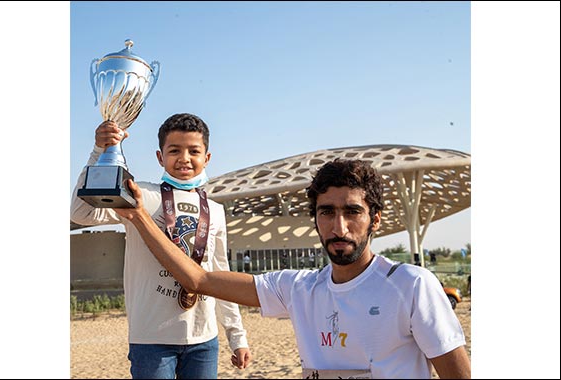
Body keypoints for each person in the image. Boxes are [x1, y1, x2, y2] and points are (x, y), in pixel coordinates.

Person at [114, 159, 471, 379]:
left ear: (375, 219)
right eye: (327, 212)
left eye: (352, 212)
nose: (339, 227)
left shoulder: (410, 285)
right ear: (315, 219)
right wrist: (140, 217)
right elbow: (199, 279)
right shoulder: (300, 288)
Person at [71, 113, 251, 379]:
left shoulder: (215, 210)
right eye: (174, 150)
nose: (184, 158)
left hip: (203, 339)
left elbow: (219, 273)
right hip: (151, 340)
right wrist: (99, 151)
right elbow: (81, 213)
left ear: (207, 157)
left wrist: (237, 337)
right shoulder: (141, 194)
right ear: (160, 156)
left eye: (194, 151)